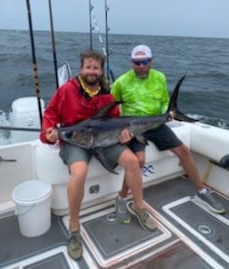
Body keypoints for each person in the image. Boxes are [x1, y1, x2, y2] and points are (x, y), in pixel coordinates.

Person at [40, 49, 156, 260]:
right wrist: (48, 134)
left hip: (103, 141)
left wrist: (125, 136)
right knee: (80, 171)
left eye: (96, 67)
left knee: (131, 161)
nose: (91, 71)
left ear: (101, 71)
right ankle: (74, 228)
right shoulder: (66, 90)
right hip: (75, 139)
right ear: (81, 69)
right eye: (88, 67)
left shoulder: (107, 95)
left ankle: (139, 207)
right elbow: (50, 115)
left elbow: (115, 120)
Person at [111, 44, 226, 224]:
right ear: (132, 63)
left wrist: (169, 113)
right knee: (138, 160)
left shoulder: (160, 77)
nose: (141, 66)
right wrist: (121, 131)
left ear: (151, 61)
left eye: (145, 62)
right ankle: (121, 199)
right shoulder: (121, 82)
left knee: (184, 151)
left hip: (156, 124)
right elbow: (111, 110)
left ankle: (202, 192)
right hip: (133, 128)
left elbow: (165, 102)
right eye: (137, 62)